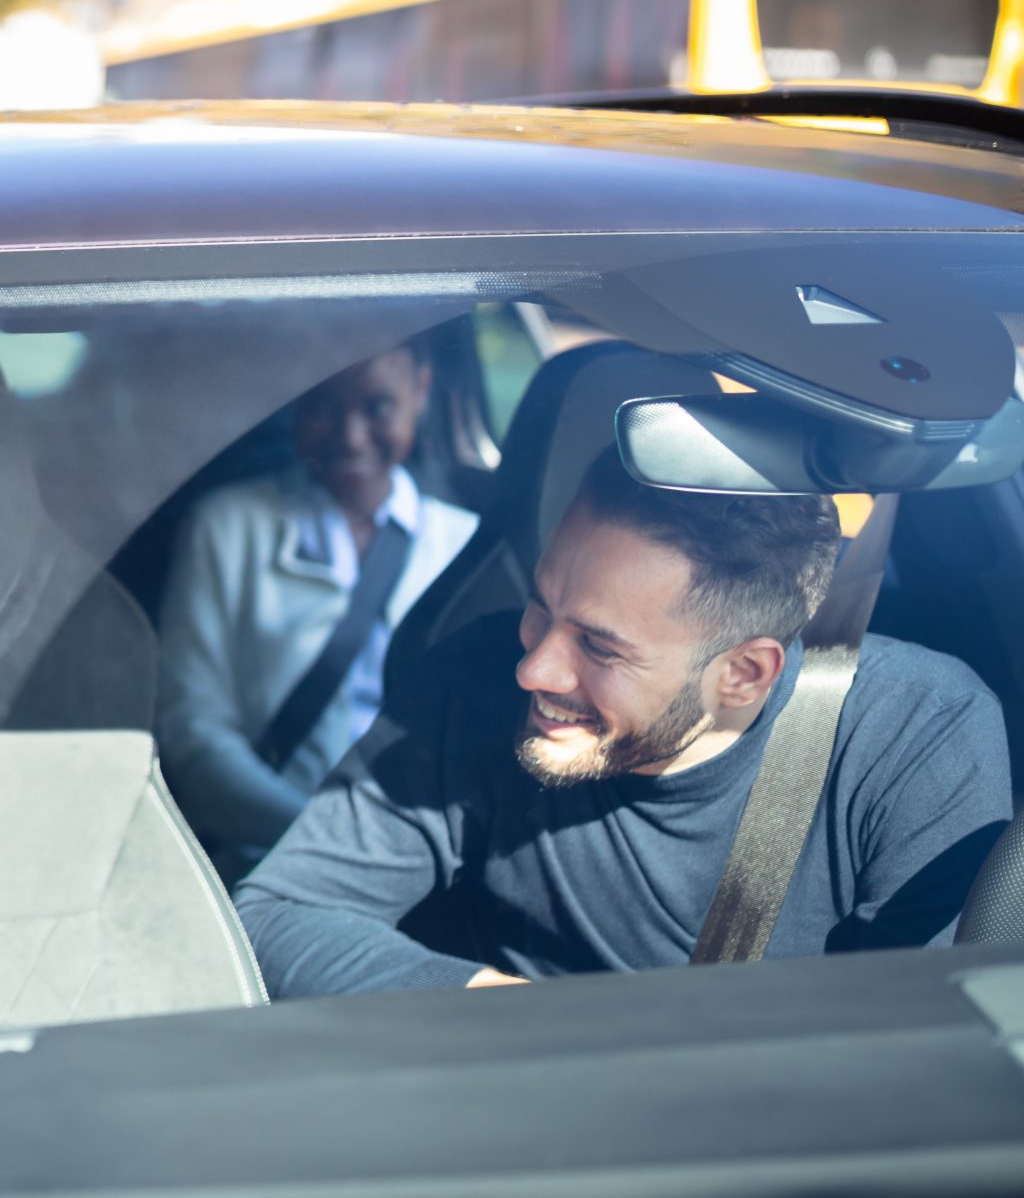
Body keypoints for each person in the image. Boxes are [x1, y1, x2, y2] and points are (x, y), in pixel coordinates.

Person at [234, 454, 1012, 997]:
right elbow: (275, 915)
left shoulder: (918, 735)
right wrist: (533, 1024)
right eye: (542, 605)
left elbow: (917, 1045)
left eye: (599, 646)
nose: (534, 668)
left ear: (744, 674)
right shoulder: (472, 678)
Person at [154, 343, 477, 867]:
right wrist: (320, 840)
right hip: (267, 857)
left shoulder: (466, 546)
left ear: (421, 389)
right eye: (323, 406)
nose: (350, 437)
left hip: (427, 865)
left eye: (376, 408)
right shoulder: (227, 527)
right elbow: (195, 734)